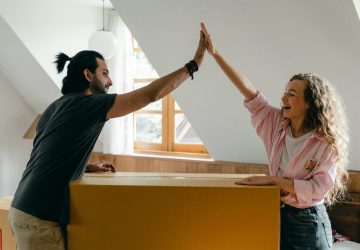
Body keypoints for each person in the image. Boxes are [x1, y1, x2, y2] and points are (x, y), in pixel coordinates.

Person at [9, 32, 206, 250]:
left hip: (21, 208)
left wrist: (89, 166)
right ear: (88, 75)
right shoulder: (90, 105)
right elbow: (151, 95)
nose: (110, 80)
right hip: (40, 218)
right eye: (105, 73)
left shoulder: (55, 106)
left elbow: (49, 156)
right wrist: (193, 65)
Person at [200, 23, 349, 250]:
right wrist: (215, 54)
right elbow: (248, 89)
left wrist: (273, 180)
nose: (284, 98)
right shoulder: (275, 124)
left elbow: (317, 189)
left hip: (308, 221)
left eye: (292, 94)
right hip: (276, 212)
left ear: (310, 104)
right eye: (284, 92)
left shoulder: (325, 142)